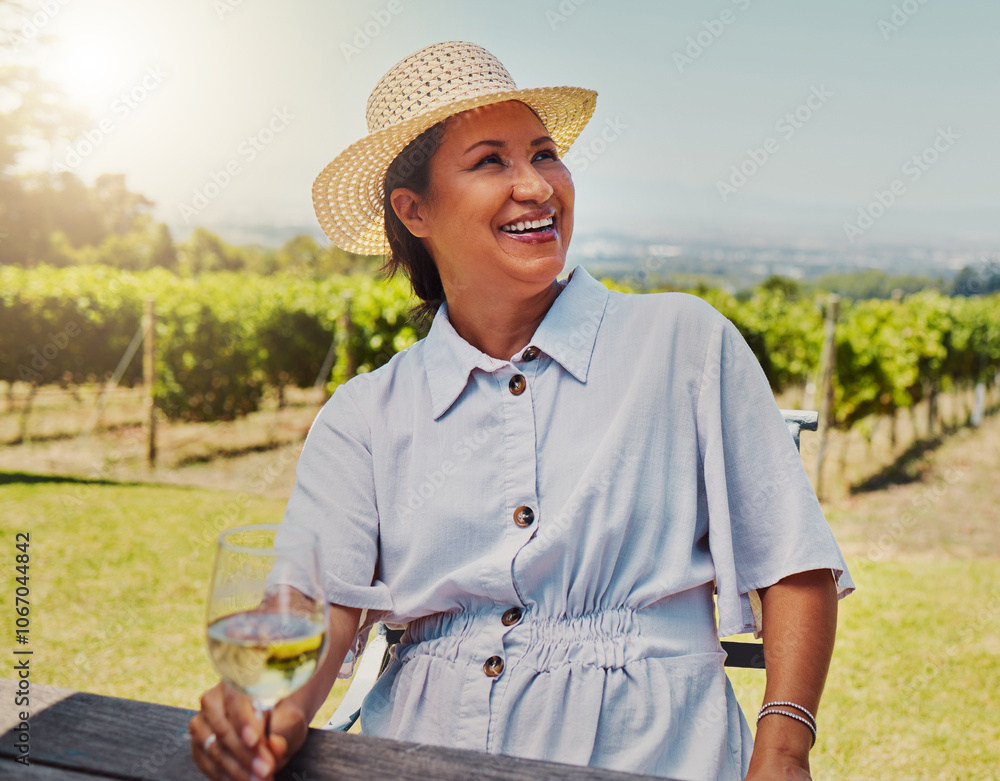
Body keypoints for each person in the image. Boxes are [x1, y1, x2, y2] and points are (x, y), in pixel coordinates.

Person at [189, 40, 854, 781]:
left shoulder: (684, 344)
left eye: (544, 155)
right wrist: (267, 712)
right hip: (418, 754)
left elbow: (793, 562)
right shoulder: (365, 415)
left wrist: (784, 751)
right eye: (491, 162)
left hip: (659, 754)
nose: (536, 187)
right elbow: (317, 611)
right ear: (414, 210)